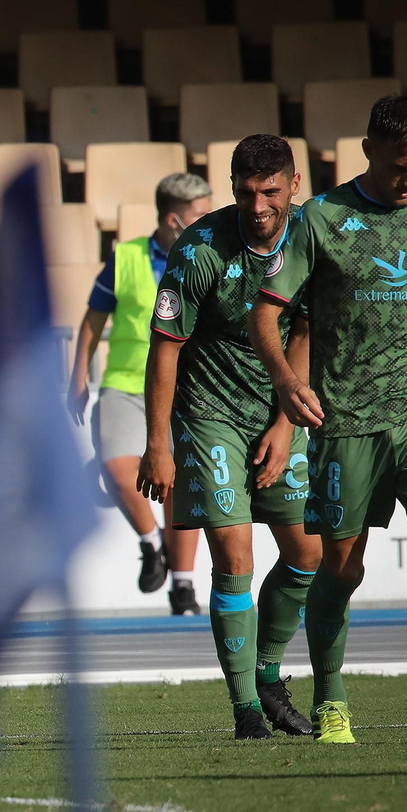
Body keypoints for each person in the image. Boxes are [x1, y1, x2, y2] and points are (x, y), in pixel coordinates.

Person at [249, 94, 407, 743]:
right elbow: (264, 313)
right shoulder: (321, 219)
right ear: (367, 151)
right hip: (346, 420)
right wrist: (286, 380)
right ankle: (331, 696)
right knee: (342, 568)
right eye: (398, 166)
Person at [138, 135, 320, 740]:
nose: (258, 204)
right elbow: (165, 348)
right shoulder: (199, 249)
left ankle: (266, 672)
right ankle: (245, 709)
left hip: (277, 413)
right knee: (234, 559)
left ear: (294, 185)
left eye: (271, 190)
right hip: (208, 413)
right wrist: (158, 443)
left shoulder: (311, 239)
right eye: (246, 192)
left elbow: (305, 331)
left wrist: (284, 423)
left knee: (308, 554)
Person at [69, 173, 208, 614]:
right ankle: (152, 543)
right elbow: (92, 320)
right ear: (173, 220)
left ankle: (183, 587)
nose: (210, 220)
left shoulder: (213, 253)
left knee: (181, 484)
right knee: (115, 465)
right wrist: (77, 377)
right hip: (127, 383)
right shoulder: (125, 257)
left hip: (191, 387)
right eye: (199, 214)